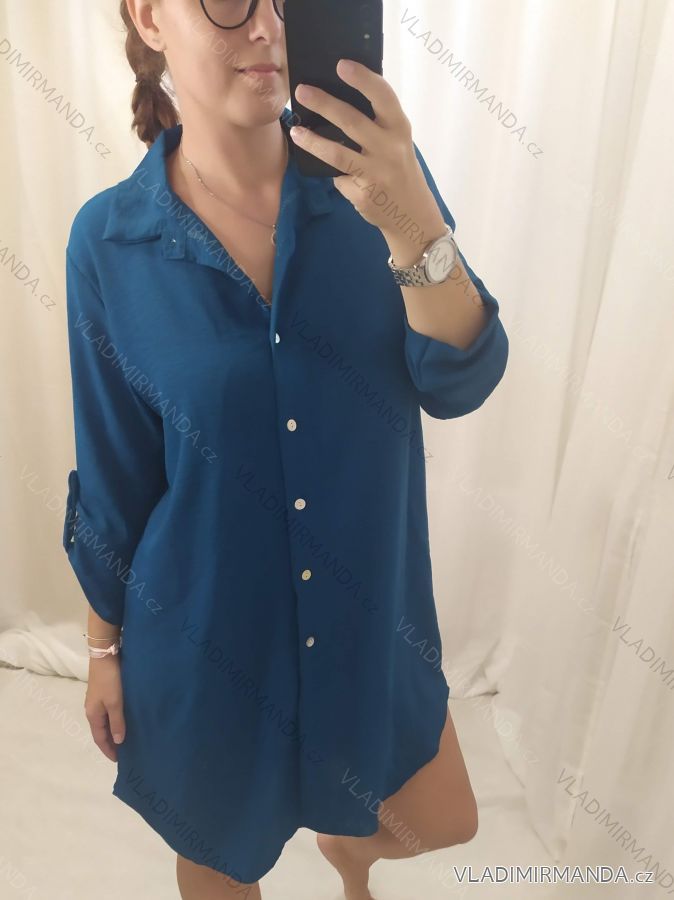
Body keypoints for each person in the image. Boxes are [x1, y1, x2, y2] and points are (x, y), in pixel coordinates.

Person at [63, 1, 509, 897]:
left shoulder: (378, 184)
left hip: (366, 625)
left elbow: (460, 381)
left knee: (445, 819)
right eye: (231, 2)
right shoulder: (109, 243)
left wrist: (413, 222)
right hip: (210, 646)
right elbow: (116, 472)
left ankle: (351, 848)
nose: (267, 25)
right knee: (222, 868)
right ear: (150, 17)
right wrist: (104, 650)